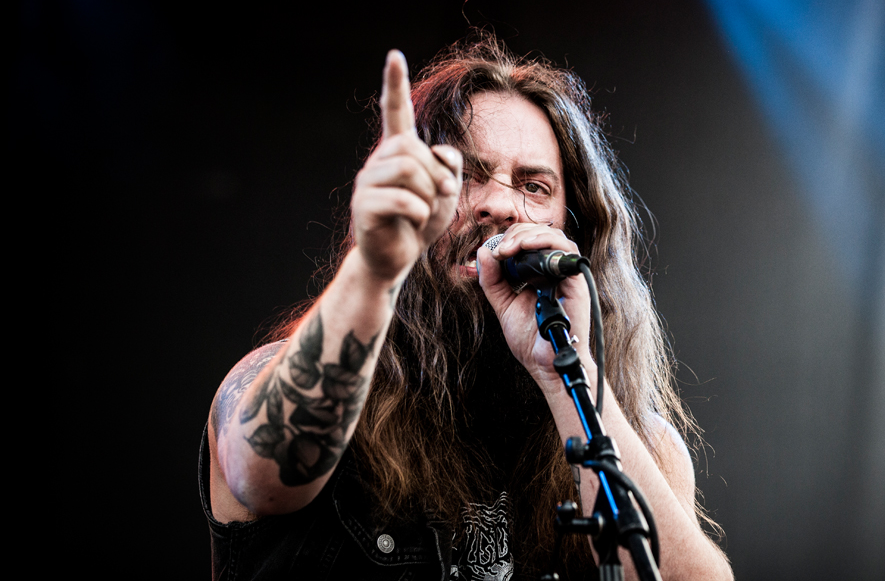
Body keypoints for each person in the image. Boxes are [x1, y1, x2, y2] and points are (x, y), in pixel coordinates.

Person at [202, 36, 733, 581]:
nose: (499, 204)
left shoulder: (637, 441)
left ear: (571, 229)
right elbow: (264, 476)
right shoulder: (273, 382)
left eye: (533, 185)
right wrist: (376, 266)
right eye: (466, 175)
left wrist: (566, 370)